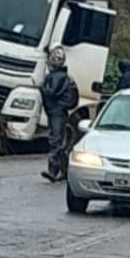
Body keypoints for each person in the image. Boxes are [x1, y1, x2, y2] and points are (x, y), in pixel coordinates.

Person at [40, 46, 78, 182]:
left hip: (56, 113)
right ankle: (64, 170)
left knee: (55, 141)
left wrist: (41, 86)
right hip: (59, 112)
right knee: (60, 141)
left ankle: (53, 170)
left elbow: (50, 92)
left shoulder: (56, 77)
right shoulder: (64, 76)